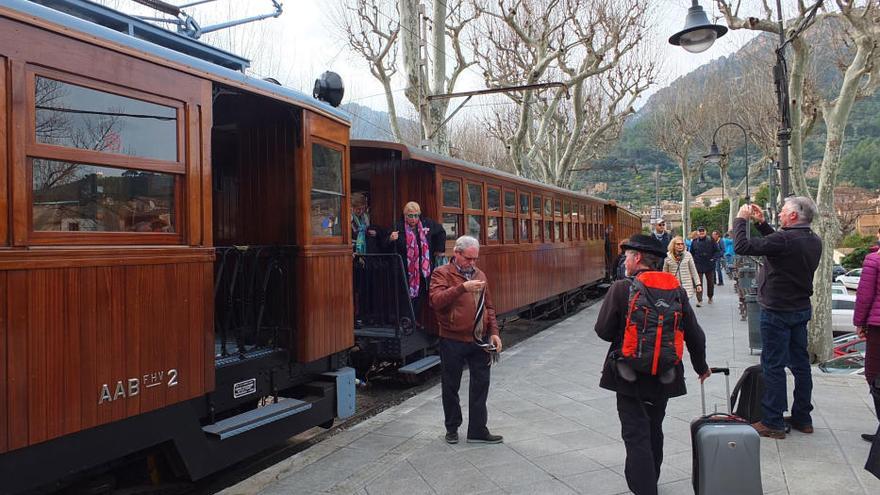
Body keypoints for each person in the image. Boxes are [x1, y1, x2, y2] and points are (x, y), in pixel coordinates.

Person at [594, 234, 710, 495]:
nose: (624, 261)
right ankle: (651, 478)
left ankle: (644, 488)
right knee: (654, 427)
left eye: (627, 256)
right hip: (664, 375)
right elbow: (695, 334)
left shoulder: (622, 288)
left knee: (635, 434)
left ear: (637, 258)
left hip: (628, 374)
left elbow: (602, 330)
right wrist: (701, 367)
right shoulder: (676, 290)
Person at [733, 198, 822, 439]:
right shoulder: (813, 240)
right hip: (800, 309)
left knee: (773, 365)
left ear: (793, 216)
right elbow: (780, 248)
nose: (779, 214)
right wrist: (762, 224)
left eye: (782, 211)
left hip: (777, 311)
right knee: (801, 365)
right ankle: (803, 417)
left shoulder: (784, 239)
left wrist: (741, 219)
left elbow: (741, 246)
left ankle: (772, 421)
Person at [429, 235, 503, 445]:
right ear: (457, 253)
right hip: (452, 339)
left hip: (479, 339)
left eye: (475, 259)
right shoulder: (441, 273)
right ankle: (452, 428)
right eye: (468, 259)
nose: (472, 263)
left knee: (481, 385)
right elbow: (436, 301)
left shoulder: (480, 274)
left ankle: (478, 430)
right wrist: (462, 288)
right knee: (451, 386)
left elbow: (489, 306)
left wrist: (495, 332)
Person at [384, 201, 446, 315]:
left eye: (416, 215)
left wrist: (439, 251)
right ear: (405, 216)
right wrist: (391, 239)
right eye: (410, 216)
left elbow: (441, 232)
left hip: (423, 269)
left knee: (421, 294)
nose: (413, 219)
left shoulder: (427, 224)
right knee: (405, 296)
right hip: (405, 269)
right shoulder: (397, 226)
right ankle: (406, 321)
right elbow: (385, 246)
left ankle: (414, 320)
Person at [854, 246, 880, 443]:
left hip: (878, 326)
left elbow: (865, 295)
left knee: (873, 375)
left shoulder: (874, 260)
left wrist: (860, 323)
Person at [663, 236, 701, 302]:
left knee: (685, 307)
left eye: (682, 244)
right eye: (678, 244)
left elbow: (693, 270)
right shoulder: (667, 256)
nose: (680, 246)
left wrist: (698, 284)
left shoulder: (688, 255)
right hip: (674, 286)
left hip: (686, 286)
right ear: (673, 245)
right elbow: (665, 273)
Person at [689, 227, 720, 307]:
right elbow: (691, 253)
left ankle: (710, 297)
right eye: (700, 231)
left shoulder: (711, 240)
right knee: (698, 283)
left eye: (703, 231)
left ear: (705, 232)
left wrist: (713, 259)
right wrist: (692, 262)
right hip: (698, 265)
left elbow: (717, 251)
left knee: (710, 283)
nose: (701, 232)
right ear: (697, 233)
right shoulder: (694, 242)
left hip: (709, 265)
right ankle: (699, 300)